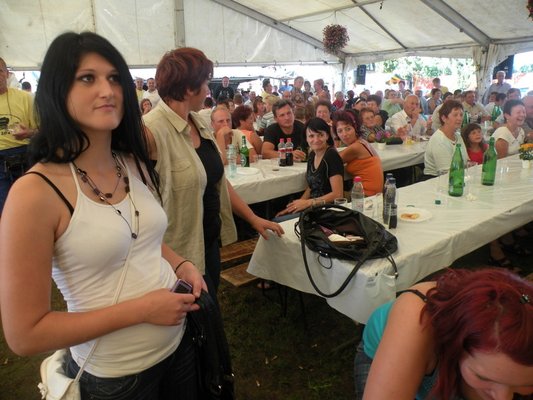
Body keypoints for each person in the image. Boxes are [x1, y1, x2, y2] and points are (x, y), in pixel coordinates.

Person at [0, 31, 206, 399]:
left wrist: (180, 264)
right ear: (57, 91)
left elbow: (138, 236)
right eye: (87, 78)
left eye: (114, 78)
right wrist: (142, 311)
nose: (107, 90)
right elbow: (25, 334)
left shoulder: (131, 162)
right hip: (115, 378)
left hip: (179, 348)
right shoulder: (34, 193)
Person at [143, 47, 283, 296]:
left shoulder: (197, 122)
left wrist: (252, 218)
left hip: (207, 242)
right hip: (176, 255)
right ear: (189, 88)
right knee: (191, 316)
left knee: (209, 307)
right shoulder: (151, 131)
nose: (208, 89)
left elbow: (217, 181)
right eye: (206, 82)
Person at [355, 268, 533, 400]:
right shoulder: (416, 319)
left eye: (526, 384)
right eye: (482, 377)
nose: (503, 398)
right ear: (457, 343)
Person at [275, 117, 343, 219]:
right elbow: (312, 187)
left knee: (278, 222)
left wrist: (307, 203)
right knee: (278, 217)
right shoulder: (312, 155)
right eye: (311, 136)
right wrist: (296, 206)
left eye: (320, 135)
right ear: (306, 138)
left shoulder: (331, 156)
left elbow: (338, 194)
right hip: (313, 207)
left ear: (327, 136)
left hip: (328, 211)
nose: (316, 140)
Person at [0, 57, 38, 214]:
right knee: (5, 210)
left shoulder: (25, 98)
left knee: (31, 207)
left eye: (0, 71)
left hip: (25, 156)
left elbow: (45, 132)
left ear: (7, 74)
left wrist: (30, 133)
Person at [335, 111, 384, 196]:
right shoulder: (362, 142)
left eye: (348, 129)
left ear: (355, 128)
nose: (344, 134)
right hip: (372, 194)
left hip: (366, 197)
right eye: (340, 131)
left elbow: (330, 161)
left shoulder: (356, 147)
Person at [424, 100, 468, 177]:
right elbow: (446, 172)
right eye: (455, 115)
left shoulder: (457, 136)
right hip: (436, 179)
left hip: (457, 175)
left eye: (461, 115)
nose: (459, 118)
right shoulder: (439, 140)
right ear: (444, 118)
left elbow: (466, 161)